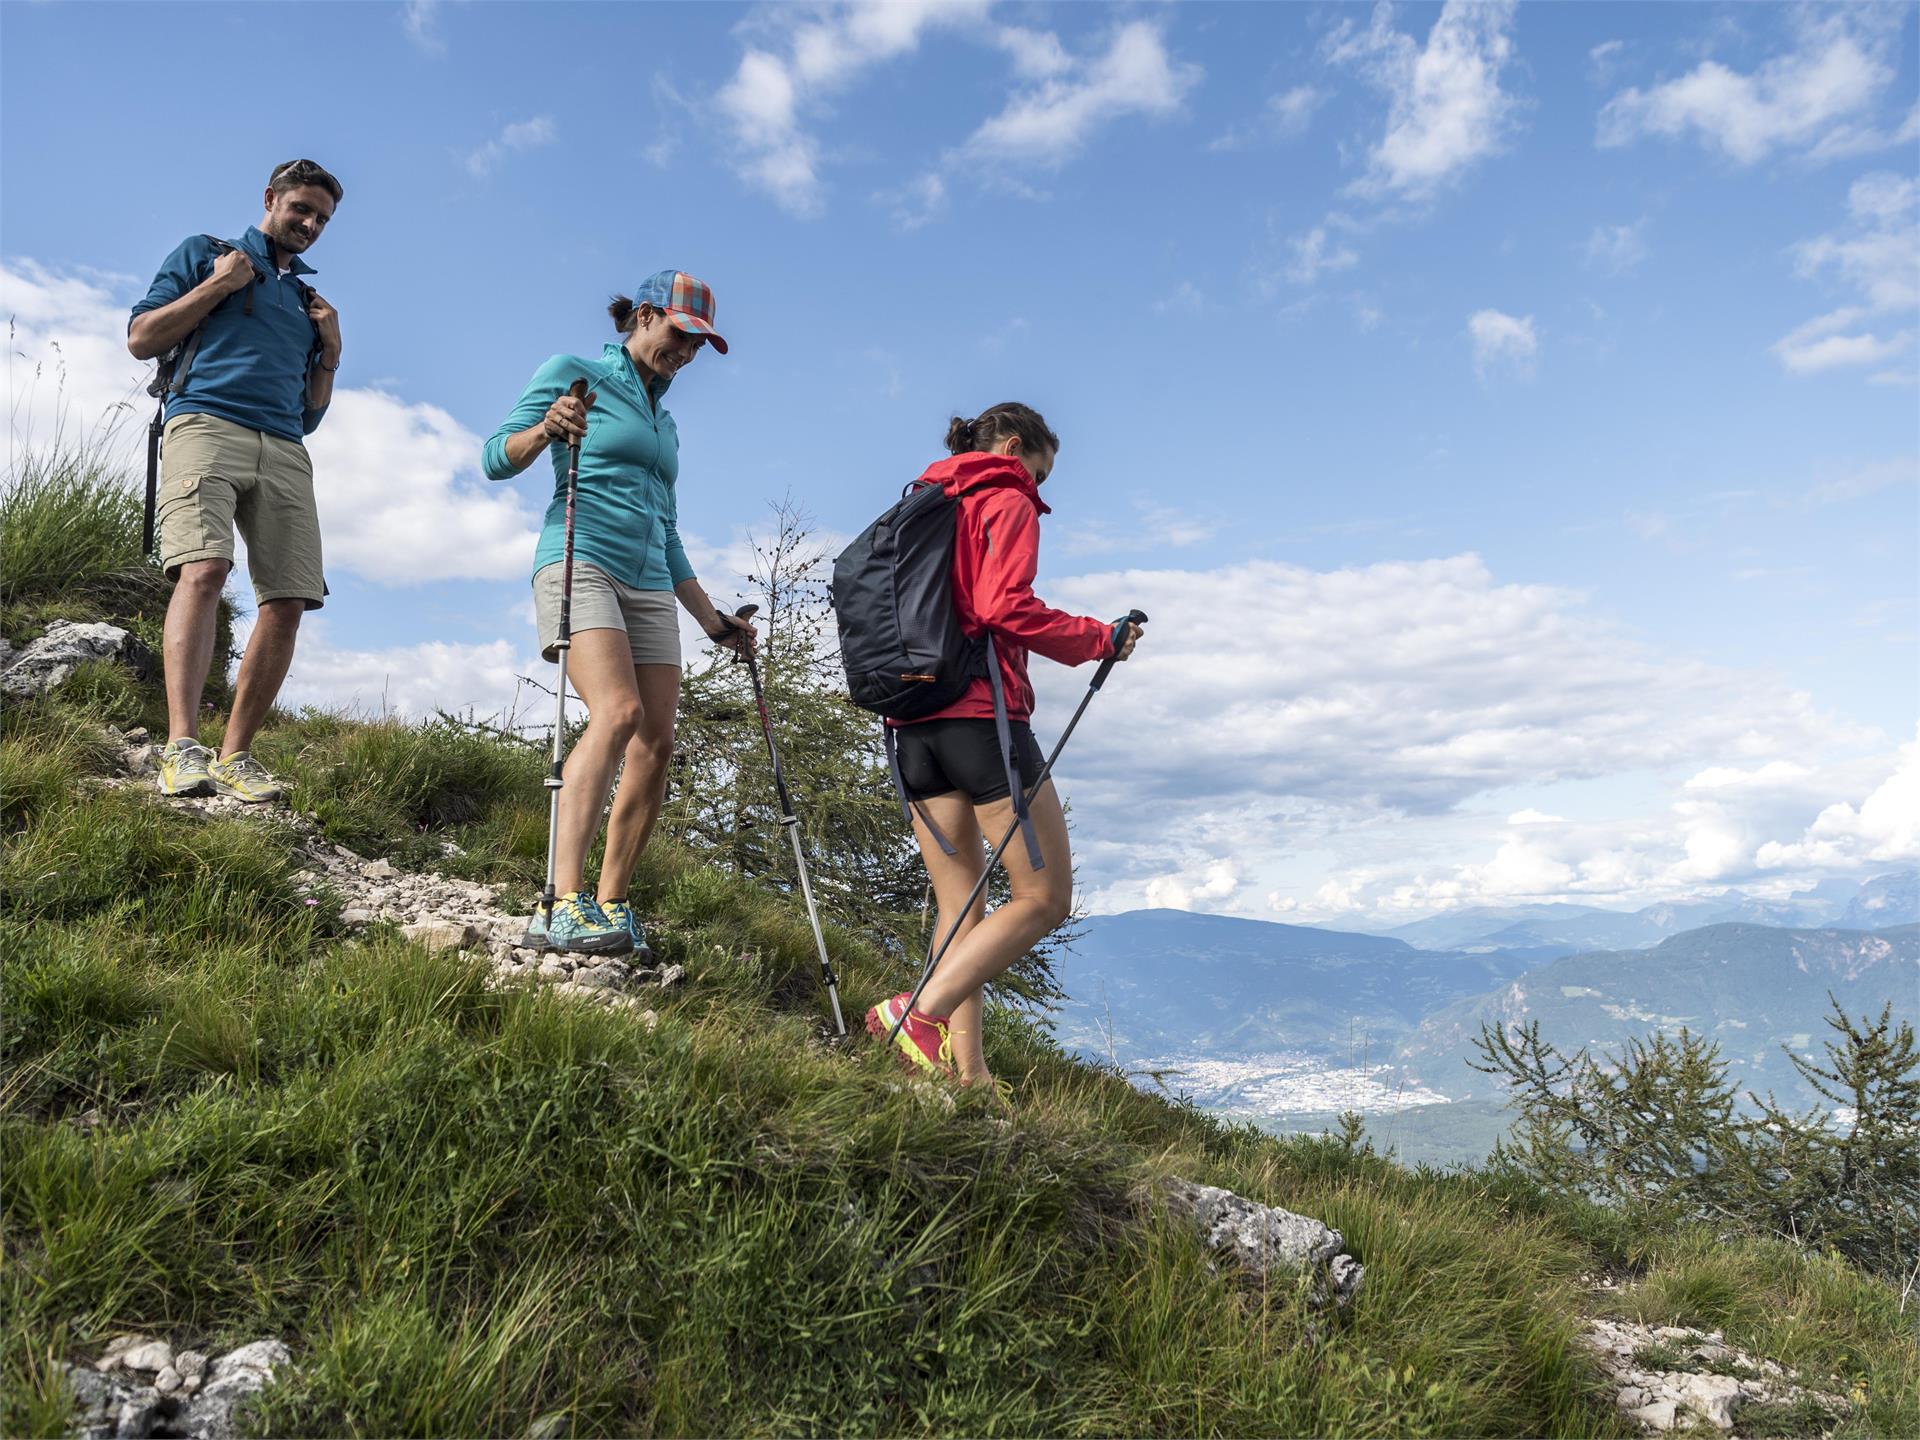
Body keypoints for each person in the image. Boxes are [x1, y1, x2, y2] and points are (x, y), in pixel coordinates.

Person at [866, 403, 1139, 1093]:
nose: (1039, 490)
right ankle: (915, 1015)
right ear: (1015, 447)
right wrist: (1095, 639)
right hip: (981, 720)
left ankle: (970, 1075)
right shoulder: (1002, 494)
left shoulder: (922, 500)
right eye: (1039, 473)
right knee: (1044, 898)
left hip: (910, 724)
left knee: (963, 909)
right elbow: (1001, 606)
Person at [483, 270, 753, 957]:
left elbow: (668, 532)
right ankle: (561, 900)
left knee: (656, 744)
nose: (687, 354)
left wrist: (713, 622)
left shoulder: (665, 422)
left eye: (699, 346)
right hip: (581, 557)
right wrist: (550, 426)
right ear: (643, 315)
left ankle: (611, 905)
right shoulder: (574, 374)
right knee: (618, 713)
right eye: (680, 336)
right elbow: (495, 457)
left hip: (650, 581)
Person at [127, 158, 345, 803]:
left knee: (290, 598)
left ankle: (235, 757)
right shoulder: (206, 253)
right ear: (271, 198)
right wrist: (218, 287)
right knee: (204, 568)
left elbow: (309, 414)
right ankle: (181, 747)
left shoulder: (310, 301)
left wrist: (330, 351)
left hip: (282, 446)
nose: (309, 224)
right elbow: (141, 338)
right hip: (203, 422)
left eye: (322, 219)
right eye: (301, 209)